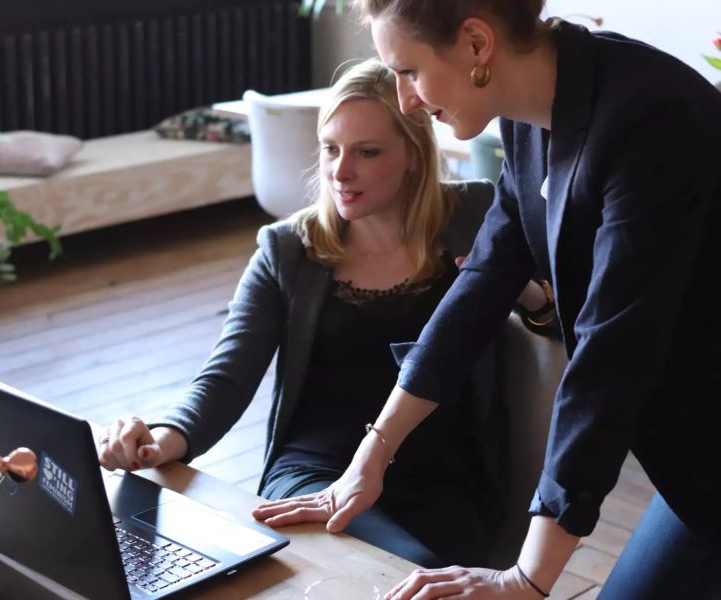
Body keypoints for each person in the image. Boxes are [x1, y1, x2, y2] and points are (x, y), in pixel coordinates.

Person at [254, 1, 721, 598]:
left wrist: (525, 580)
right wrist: (371, 457)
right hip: (691, 453)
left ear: (477, 44)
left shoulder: (651, 118)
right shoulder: (531, 119)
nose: (406, 101)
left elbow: (611, 358)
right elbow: (482, 282)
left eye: (410, 72)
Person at [99, 58, 548, 568]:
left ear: (414, 156)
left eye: (367, 152)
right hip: (316, 473)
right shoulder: (289, 249)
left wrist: (524, 293)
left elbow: (558, 325)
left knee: (417, 570)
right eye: (331, 149)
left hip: (447, 478)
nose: (340, 171)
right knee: (398, 569)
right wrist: (162, 440)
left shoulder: (476, 215)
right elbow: (226, 377)